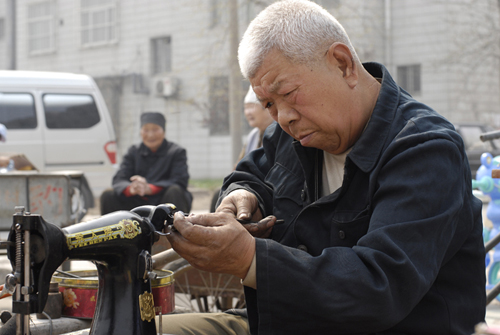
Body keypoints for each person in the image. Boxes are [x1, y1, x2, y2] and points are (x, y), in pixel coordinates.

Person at [162, 1, 486, 334]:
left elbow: (380, 287)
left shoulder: (424, 148)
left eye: (288, 93)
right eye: (269, 104)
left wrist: (250, 258)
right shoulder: (290, 135)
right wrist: (242, 196)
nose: (283, 117)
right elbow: (250, 174)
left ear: (343, 64)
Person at [100, 111, 192, 214]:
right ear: (140, 132)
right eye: (146, 130)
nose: (150, 134)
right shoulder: (133, 151)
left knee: (175, 191)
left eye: (155, 129)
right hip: (137, 200)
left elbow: (180, 180)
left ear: (164, 131)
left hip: (163, 201)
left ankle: (176, 228)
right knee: (108, 194)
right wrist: (131, 188)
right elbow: (119, 179)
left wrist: (150, 188)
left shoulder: (176, 151)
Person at [209, 86, 275, 212]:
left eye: (252, 107)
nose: (248, 112)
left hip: (268, 189)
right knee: (220, 195)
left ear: (266, 108)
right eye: (246, 108)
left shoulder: (279, 133)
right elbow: (239, 167)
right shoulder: (253, 136)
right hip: (250, 186)